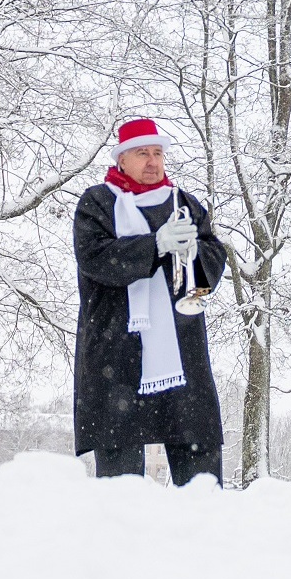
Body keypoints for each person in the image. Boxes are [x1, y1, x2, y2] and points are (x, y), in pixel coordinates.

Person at [71, 116, 227, 485]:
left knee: (200, 471)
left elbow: (213, 258)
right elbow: (94, 259)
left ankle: (205, 518)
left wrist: (195, 253)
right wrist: (155, 245)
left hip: (182, 351)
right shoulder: (97, 202)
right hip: (116, 353)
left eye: (157, 153)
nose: (153, 162)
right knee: (121, 481)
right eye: (142, 153)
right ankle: (123, 523)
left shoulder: (183, 202)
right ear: (121, 159)